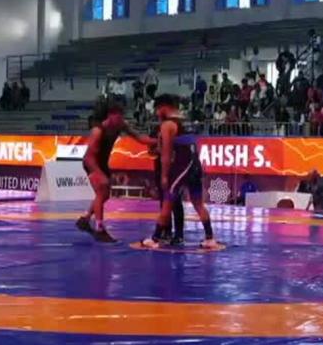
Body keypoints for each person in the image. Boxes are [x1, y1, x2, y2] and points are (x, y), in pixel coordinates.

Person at [140, 95, 220, 250]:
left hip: (182, 167)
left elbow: (166, 153)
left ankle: (155, 239)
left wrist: (164, 175)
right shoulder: (185, 120)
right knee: (198, 203)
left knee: (167, 201)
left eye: (157, 110)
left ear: (163, 107)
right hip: (195, 165)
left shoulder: (168, 125)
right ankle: (210, 238)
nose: (156, 114)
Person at [77, 102, 154, 243]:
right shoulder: (98, 130)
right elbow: (88, 157)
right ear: (110, 116)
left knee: (105, 195)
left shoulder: (121, 125)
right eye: (118, 117)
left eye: (122, 116)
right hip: (91, 164)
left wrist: (157, 141)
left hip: (102, 163)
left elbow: (140, 138)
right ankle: (99, 229)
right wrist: (98, 173)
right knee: (101, 192)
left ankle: (85, 219)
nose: (120, 120)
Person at [149, 141, 185, 246]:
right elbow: (151, 150)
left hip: (174, 169)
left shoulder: (174, 136)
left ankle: (179, 234)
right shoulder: (158, 134)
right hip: (161, 169)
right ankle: (167, 231)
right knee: (164, 202)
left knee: (176, 202)